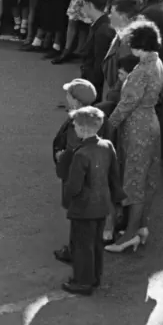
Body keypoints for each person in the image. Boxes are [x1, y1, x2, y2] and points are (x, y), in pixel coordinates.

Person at [103, 22, 163, 253]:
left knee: (133, 181)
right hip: (150, 121)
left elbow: (128, 102)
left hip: (137, 126)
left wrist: (110, 124)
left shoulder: (141, 70)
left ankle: (130, 235)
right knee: (144, 178)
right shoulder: (156, 63)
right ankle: (140, 226)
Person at [61, 106, 124, 296]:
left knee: (82, 245)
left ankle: (83, 281)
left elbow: (74, 185)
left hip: (83, 207)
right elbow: (114, 175)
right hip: (102, 205)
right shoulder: (107, 146)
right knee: (96, 243)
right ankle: (95, 277)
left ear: (81, 128)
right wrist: (116, 199)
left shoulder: (80, 154)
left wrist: (67, 200)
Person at [52, 77, 97, 264]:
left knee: (77, 217)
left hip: (75, 178)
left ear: (76, 101)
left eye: (69, 95)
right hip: (87, 178)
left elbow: (72, 151)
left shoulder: (76, 124)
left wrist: (61, 157)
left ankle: (74, 252)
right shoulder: (92, 119)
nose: (66, 97)